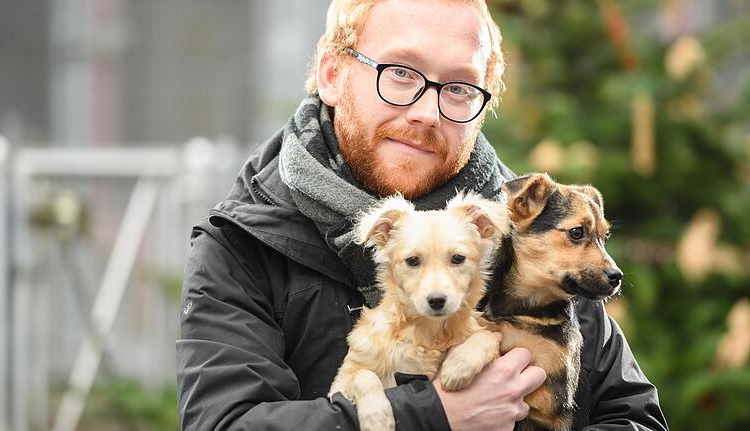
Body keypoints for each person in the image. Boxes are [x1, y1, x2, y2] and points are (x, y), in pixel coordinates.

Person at [176, 0, 669, 430]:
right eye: (401, 73)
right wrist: (436, 415)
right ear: (332, 74)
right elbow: (227, 423)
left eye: (459, 88)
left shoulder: (530, 241)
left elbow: (633, 416)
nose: (428, 112)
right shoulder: (245, 243)